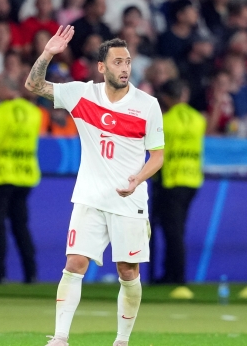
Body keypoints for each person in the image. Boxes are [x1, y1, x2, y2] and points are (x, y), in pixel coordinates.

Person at [25, 26, 164, 346]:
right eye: (117, 62)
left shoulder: (147, 105)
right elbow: (33, 84)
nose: (125, 67)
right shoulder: (80, 94)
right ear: (102, 67)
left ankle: (122, 340)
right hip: (89, 197)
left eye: (128, 61)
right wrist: (48, 53)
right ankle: (60, 337)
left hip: (129, 201)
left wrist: (137, 178)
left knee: (128, 271)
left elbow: (157, 156)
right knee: (74, 264)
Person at [0, 86, 43, 283]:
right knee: (20, 225)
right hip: (26, 175)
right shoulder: (35, 113)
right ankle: (31, 274)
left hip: (1, 175)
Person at [153, 79, 204, 288]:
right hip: (192, 179)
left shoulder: (165, 121)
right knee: (178, 229)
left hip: (171, 180)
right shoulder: (198, 119)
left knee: (172, 231)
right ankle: (171, 273)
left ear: (166, 98)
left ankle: (177, 277)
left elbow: (159, 151)